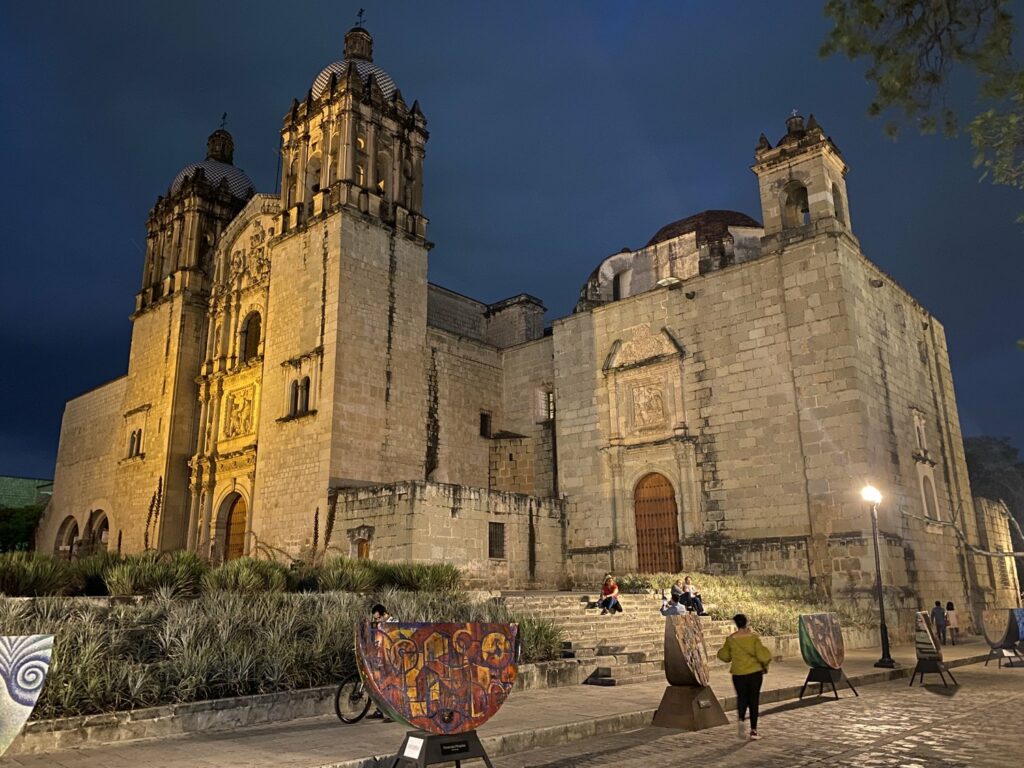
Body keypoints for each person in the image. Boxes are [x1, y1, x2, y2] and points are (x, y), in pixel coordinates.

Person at [717, 613, 772, 741]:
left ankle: (741, 722)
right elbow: (764, 656)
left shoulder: (731, 639)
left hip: (738, 674)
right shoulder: (753, 638)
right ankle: (753, 730)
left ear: (736, 624)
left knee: (742, 698)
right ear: (746, 623)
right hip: (754, 673)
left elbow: (725, 656)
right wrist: (765, 664)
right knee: (753, 700)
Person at [366, 604, 398, 720]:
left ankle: (392, 713)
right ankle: (380, 710)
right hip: (381, 657)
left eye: (378, 618)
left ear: (385, 614)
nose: (377, 620)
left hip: (391, 659)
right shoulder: (380, 625)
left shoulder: (394, 623)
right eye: (375, 619)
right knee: (379, 684)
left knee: (391, 686)